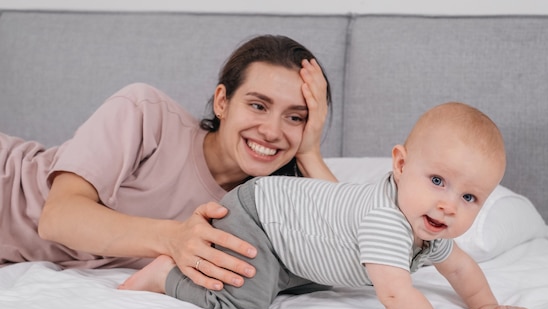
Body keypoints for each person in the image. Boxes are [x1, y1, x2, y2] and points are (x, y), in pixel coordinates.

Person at [120, 102, 530, 309]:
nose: (448, 205)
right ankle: (165, 276)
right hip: (258, 218)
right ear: (401, 165)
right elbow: (397, 295)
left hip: (288, 237)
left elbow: (460, 266)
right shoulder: (385, 221)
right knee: (246, 300)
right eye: (438, 181)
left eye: (469, 197)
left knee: (318, 279)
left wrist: (484, 305)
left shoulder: (428, 225)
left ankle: (275, 273)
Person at [0, 34, 336, 292]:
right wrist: (174, 237)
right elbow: (58, 218)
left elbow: (346, 257)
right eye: (258, 106)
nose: (272, 131)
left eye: (295, 117)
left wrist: (309, 152)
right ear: (223, 101)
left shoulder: (265, 208)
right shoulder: (147, 113)